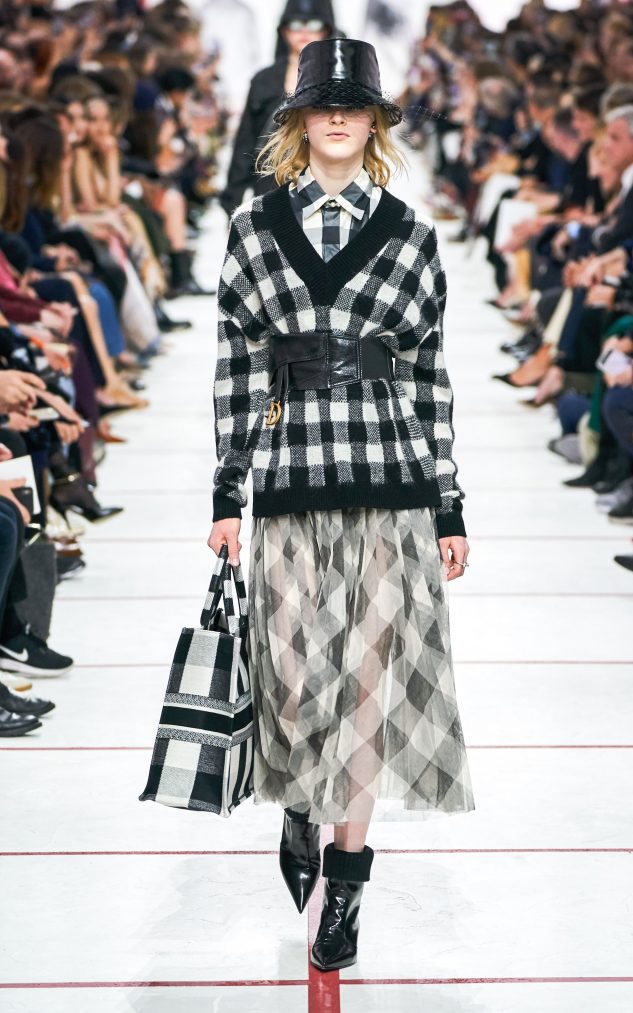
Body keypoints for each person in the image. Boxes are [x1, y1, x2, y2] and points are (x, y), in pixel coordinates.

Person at [208, 38, 474, 973]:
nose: (335, 118)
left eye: (351, 106)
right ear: (296, 121)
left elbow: (429, 377)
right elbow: (238, 364)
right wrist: (226, 488)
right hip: (289, 482)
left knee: (364, 692)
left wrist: (447, 504)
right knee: (291, 681)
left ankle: (347, 885)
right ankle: (298, 800)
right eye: (320, 105)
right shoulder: (252, 228)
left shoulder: (409, 234)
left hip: (388, 486)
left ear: (372, 123)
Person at [218, 0, 335, 218]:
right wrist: (232, 202)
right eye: (296, 24)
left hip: (325, 185)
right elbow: (246, 141)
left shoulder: (340, 81)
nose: (304, 31)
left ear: (327, 30)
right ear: (283, 30)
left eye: (314, 24)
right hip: (270, 185)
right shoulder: (264, 80)